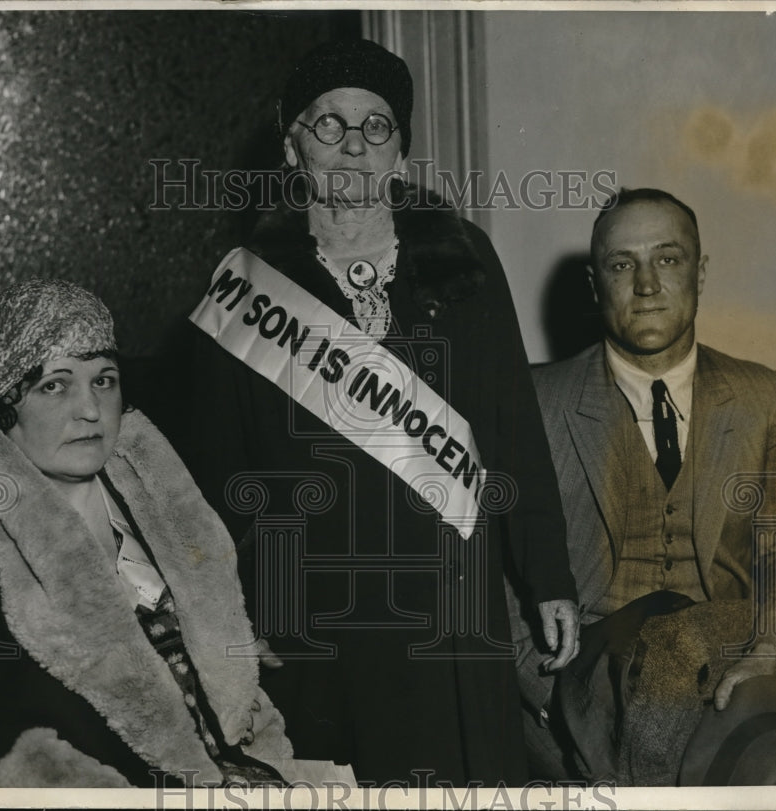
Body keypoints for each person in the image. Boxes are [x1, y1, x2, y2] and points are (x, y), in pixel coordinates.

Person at [161, 39, 580, 785]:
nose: (353, 146)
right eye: (330, 125)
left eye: (376, 126)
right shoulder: (246, 289)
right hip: (317, 613)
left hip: (448, 605)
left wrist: (548, 575)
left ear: (400, 152)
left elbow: (512, 426)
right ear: (294, 148)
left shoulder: (464, 261)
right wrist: (239, 607)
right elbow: (218, 477)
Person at [0, 279, 301, 787]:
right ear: (1, 407)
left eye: (104, 380)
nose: (90, 408)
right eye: (55, 385)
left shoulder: (157, 488)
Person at [517, 188, 776, 784]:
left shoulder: (760, 397)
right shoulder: (535, 402)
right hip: (584, 688)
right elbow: (486, 564)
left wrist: (773, 648)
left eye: (667, 259)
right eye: (622, 265)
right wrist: (547, 699)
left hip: (727, 660)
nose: (646, 284)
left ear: (699, 273)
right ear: (596, 286)